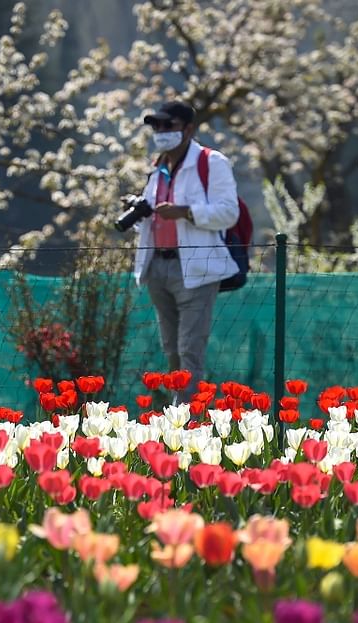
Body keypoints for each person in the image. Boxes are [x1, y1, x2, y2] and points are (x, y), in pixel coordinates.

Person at [122, 101, 239, 400]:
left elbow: (229, 213)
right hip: (158, 266)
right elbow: (156, 217)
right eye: (156, 126)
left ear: (189, 129)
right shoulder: (158, 167)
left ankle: (187, 423)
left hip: (196, 268)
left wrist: (186, 212)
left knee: (190, 349)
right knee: (171, 349)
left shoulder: (212, 163)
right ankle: (179, 412)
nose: (161, 132)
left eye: (168, 125)